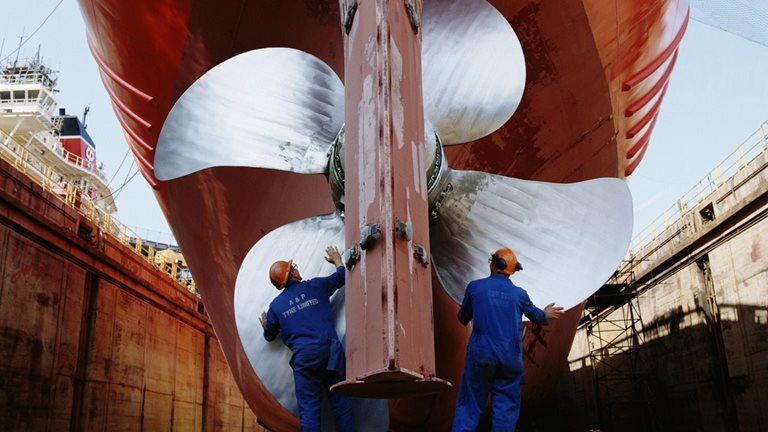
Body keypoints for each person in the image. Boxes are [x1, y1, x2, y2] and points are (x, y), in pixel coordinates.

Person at [451, 248, 564, 432]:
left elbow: (463, 318)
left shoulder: (475, 287)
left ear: (494, 264)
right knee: (505, 412)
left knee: (469, 407)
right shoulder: (520, 294)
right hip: (510, 360)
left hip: (481, 357)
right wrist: (546, 313)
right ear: (511, 270)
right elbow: (538, 317)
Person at [259, 246, 356, 432]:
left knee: (310, 411)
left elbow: (269, 336)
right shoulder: (315, 286)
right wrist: (337, 260)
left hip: (305, 359)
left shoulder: (276, 306)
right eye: (293, 266)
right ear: (292, 274)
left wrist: (266, 327)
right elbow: (342, 277)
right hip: (330, 353)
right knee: (341, 404)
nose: (296, 268)